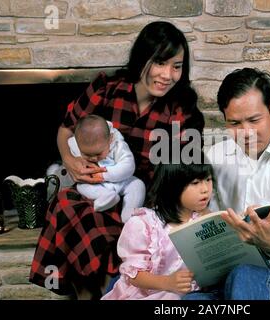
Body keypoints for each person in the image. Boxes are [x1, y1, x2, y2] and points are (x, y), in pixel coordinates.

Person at [29, 21, 204, 299]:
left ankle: (104, 291)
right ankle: (88, 292)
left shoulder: (182, 109)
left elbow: (183, 173)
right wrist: (70, 160)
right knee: (66, 203)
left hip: (144, 202)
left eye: (177, 66)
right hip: (99, 190)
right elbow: (66, 128)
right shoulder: (107, 88)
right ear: (142, 59)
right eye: (160, 63)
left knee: (116, 235)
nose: (167, 74)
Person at [184, 68, 270, 300]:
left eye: (254, 120)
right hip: (223, 273)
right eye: (235, 123)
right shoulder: (213, 158)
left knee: (244, 275)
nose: (246, 133)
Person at [102, 159, 214, 300]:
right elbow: (133, 274)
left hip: (187, 293)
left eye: (208, 180)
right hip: (144, 294)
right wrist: (168, 282)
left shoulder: (206, 219)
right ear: (173, 186)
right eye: (195, 183)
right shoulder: (144, 223)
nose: (205, 189)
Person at [68, 115, 145, 222]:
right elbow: (74, 163)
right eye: (87, 154)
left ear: (110, 139)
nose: (94, 158)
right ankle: (106, 197)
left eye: (99, 153)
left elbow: (128, 166)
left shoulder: (118, 145)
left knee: (137, 185)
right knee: (82, 186)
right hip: (95, 183)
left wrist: (104, 175)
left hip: (121, 181)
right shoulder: (77, 144)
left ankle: (128, 214)